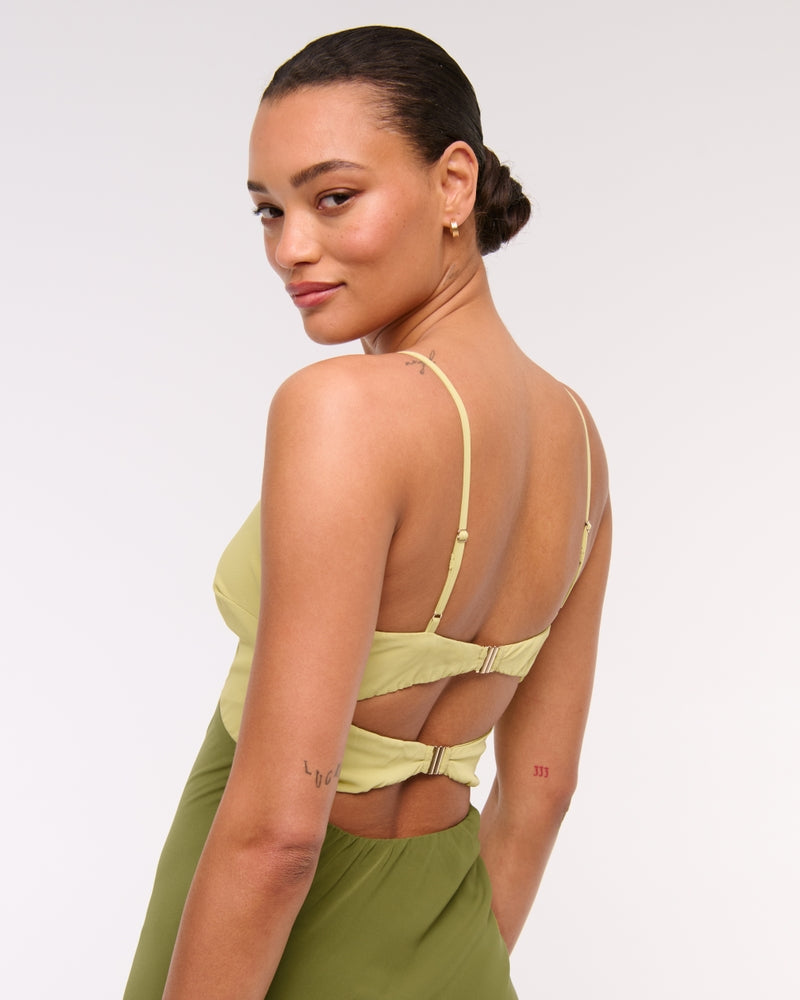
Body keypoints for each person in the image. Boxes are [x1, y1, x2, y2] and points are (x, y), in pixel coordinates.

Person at [124, 24, 611, 1000]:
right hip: (455, 947)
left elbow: (276, 837)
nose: (289, 248)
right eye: (269, 210)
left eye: (334, 197)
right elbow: (542, 791)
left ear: (453, 183)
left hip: (262, 953)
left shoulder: (340, 410)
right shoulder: (579, 440)